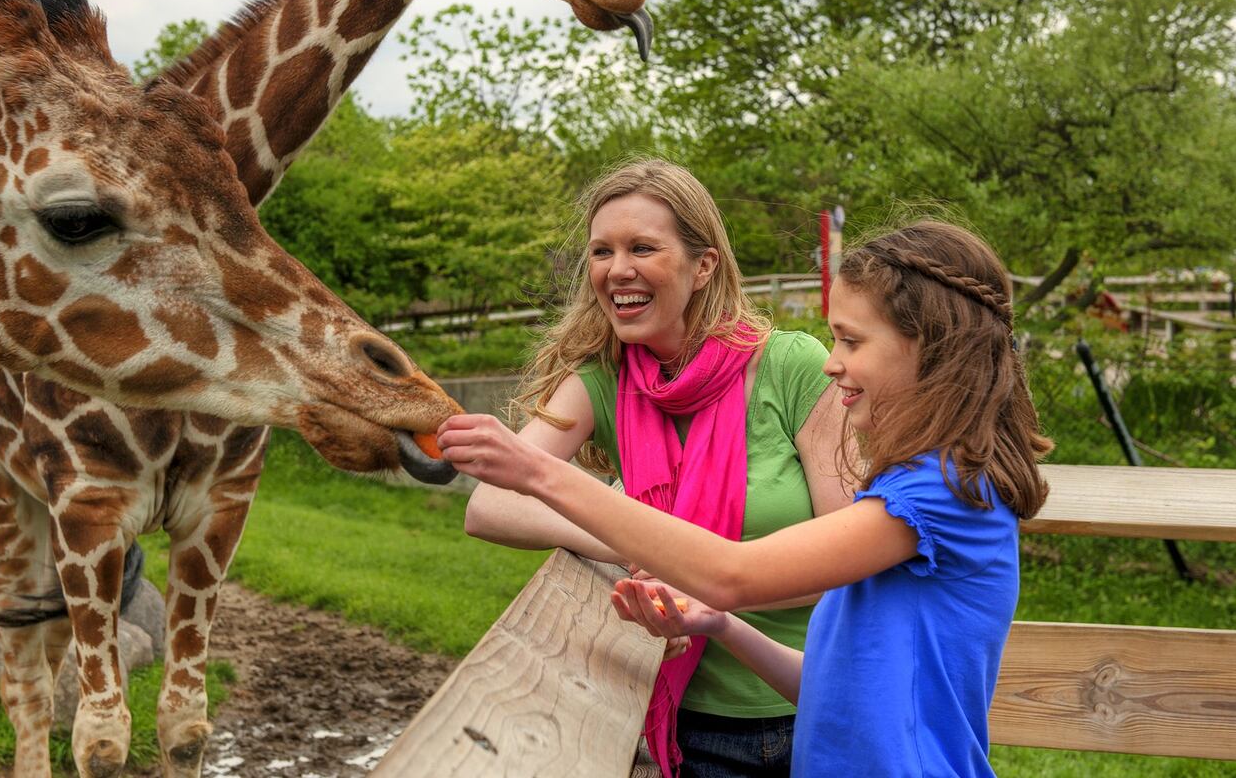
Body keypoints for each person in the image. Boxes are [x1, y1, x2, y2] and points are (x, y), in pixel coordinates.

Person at [442, 221, 1054, 778]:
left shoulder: (942, 492)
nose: (833, 364)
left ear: (932, 347)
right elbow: (835, 688)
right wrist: (723, 626)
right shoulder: (913, 487)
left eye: (850, 341)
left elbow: (733, 572)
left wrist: (539, 472)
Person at [461, 159, 851, 778]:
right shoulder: (601, 379)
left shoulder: (794, 366)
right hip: (687, 725)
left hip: (812, 711)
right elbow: (489, 505)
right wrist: (628, 536)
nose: (618, 270)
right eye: (601, 251)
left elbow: (844, 556)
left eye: (643, 247)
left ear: (703, 266)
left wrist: (690, 564)